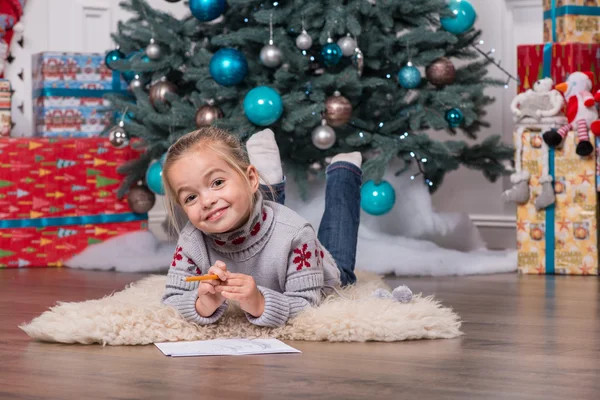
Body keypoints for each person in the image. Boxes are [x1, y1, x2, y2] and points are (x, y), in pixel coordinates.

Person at [161, 127, 408, 328]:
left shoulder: (295, 233)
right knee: (252, 213)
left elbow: (308, 304)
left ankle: (344, 173)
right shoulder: (192, 239)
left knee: (342, 271)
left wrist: (259, 303)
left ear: (250, 178)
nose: (206, 201)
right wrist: (202, 304)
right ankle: (271, 182)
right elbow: (172, 299)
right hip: (266, 232)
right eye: (190, 198)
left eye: (217, 182)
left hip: (318, 266)